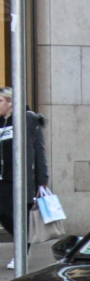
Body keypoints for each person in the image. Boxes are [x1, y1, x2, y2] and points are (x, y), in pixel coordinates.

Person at [0, 87, 48, 268]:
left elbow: (38, 150)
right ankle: (22, 244)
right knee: (4, 214)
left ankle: (21, 251)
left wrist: (42, 180)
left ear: (11, 102)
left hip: (23, 178)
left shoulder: (27, 120)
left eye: (0, 101)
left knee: (22, 215)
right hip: (3, 177)